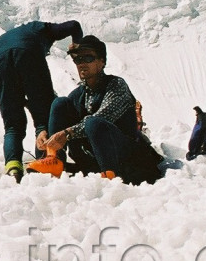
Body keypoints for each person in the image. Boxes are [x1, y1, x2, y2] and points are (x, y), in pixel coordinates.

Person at [0, 20, 83, 181]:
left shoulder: (6, 37)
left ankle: (13, 167)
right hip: (28, 53)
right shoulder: (43, 29)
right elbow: (74, 26)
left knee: (12, 125)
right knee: (44, 117)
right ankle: (45, 162)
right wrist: (77, 46)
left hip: (0, 60)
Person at [41, 35, 138, 179]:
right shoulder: (79, 94)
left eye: (88, 58)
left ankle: (110, 177)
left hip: (126, 160)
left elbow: (103, 117)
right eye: (78, 60)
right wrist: (44, 132)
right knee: (59, 104)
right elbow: (58, 119)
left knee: (93, 122)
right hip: (91, 159)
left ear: (102, 62)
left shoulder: (116, 85)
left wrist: (67, 133)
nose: (81, 64)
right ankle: (53, 161)